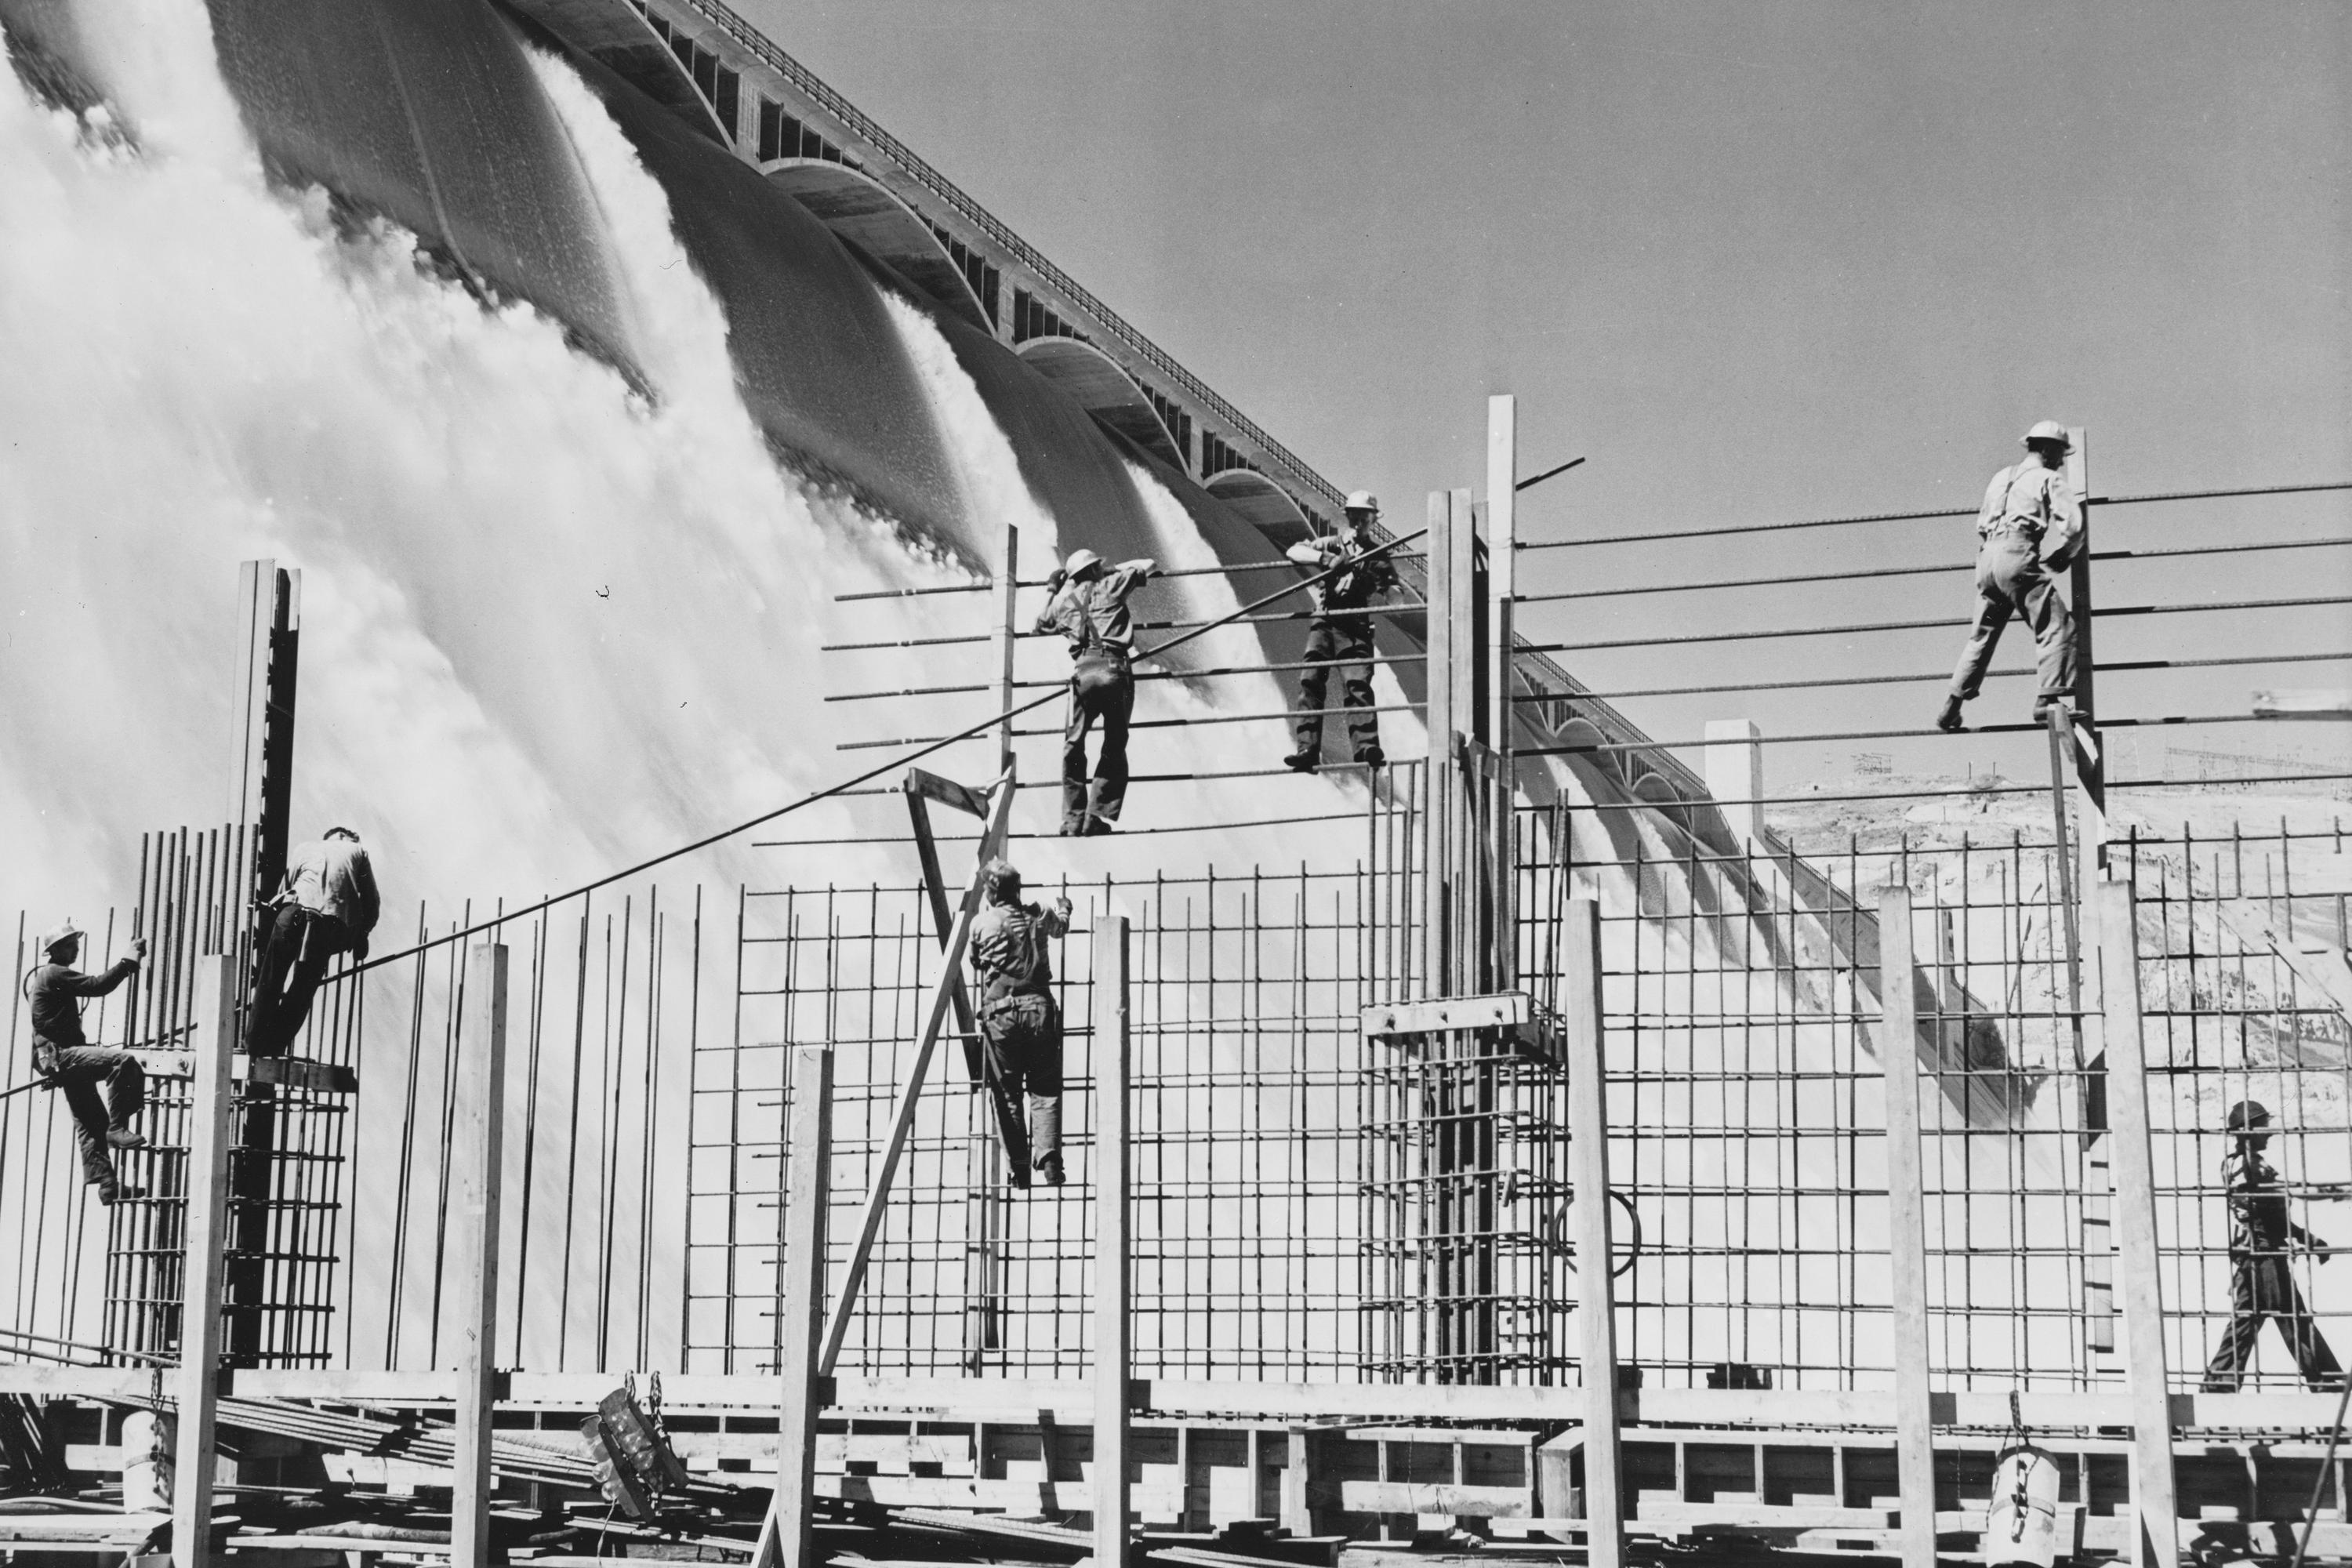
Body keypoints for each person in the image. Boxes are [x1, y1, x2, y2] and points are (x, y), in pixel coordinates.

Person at [1936, 421, 2082, 733]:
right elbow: (2073, 525)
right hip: (2017, 553)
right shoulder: (2048, 478)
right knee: (2057, 625)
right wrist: (2066, 553)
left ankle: (1952, 704)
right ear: (2047, 449)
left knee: (1982, 635)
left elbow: (1982, 522)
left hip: (1987, 556)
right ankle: (2049, 702)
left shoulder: (2000, 477)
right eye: (2060, 452)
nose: (2062, 460)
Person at [2201, 1099, 2342, 1391]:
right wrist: (2335, 1192)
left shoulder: (2248, 1163)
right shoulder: (2246, 1165)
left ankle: (2214, 1396)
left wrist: (2306, 1237)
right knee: (2296, 1326)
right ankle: (2331, 1393)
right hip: (2263, 1258)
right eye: (2263, 1127)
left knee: (2245, 1330)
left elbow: (2268, 1214)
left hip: (2258, 1255)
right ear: (2247, 1131)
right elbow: (2284, 1194)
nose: (2269, 1132)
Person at [23, 922, 151, 1203]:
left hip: (55, 1060)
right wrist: (129, 960)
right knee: (123, 1062)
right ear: (55, 950)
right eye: (70, 945)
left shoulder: (47, 977)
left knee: (91, 1120)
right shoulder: (54, 972)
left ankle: (107, 1184)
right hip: (64, 1056)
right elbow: (98, 986)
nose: (76, 948)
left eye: (76, 943)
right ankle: (117, 1128)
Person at [1037, 547, 1157, 837]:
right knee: (1114, 743)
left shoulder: (1063, 601)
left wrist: (1054, 588)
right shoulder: (1110, 585)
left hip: (1083, 674)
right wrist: (1111, 569)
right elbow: (1148, 564)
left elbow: (1041, 623)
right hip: (1115, 670)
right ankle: (1096, 815)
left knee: (1073, 744)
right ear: (1095, 570)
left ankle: (1072, 818)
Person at [968, 858, 1073, 1188]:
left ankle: (1019, 1167)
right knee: (1044, 1089)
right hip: (1039, 1009)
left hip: (1001, 1014)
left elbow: (975, 960)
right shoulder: (1038, 915)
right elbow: (1061, 925)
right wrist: (1065, 907)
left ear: (990, 891)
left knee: (1007, 1093)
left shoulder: (981, 923)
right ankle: (1050, 1158)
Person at [1283, 490, 1398, 772]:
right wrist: (1324, 559)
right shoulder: (1331, 544)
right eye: (1355, 516)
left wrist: (1379, 582)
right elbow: (1294, 551)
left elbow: (1396, 597)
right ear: (1347, 517)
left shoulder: (1379, 556)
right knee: (1310, 681)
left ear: (1373, 520)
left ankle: (1366, 748)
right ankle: (1307, 749)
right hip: (1324, 621)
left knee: (1357, 685)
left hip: (1356, 627)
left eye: (1365, 517)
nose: (1359, 521)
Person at [245, 826, 381, 1056]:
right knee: (303, 989)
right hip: (327, 925)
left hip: (292, 915)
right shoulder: (358, 851)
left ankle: (253, 1043)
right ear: (342, 836)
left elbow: (284, 889)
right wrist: (363, 933)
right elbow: (372, 901)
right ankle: (274, 1045)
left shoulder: (305, 847)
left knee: (270, 978)